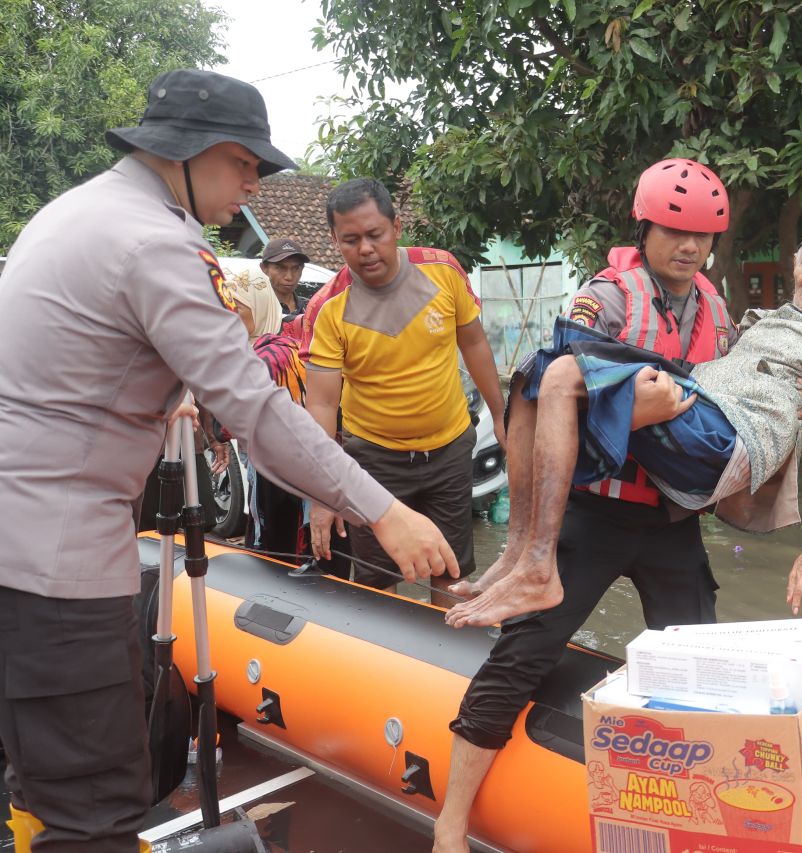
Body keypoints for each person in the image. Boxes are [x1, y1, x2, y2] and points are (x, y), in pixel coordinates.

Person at [0, 68, 459, 853]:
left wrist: (164, 391)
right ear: (189, 153)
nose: (253, 183)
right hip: (56, 565)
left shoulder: (76, 212)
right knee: (97, 812)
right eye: (244, 162)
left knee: (41, 783)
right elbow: (258, 408)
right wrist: (382, 509)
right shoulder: (153, 242)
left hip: (23, 547)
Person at [432, 158, 747, 853]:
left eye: (700, 235)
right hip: (594, 513)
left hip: (670, 520)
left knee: (700, 663)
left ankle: (700, 818)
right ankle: (449, 825)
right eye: (673, 230)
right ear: (646, 227)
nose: (687, 246)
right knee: (525, 654)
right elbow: (547, 394)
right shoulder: (605, 298)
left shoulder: (716, 310)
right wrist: (633, 413)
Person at [445, 207, 802, 630]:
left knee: (561, 373)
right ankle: (518, 553)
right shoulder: (757, 322)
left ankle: (538, 567)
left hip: (720, 436)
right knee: (533, 372)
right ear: (795, 263)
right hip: (691, 422)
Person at [305, 178, 506, 599]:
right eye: (351, 240)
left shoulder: (443, 271)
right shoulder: (328, 307)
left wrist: (502, 415)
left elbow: (473, 343)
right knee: (377, 582)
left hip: (449, 448)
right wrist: (321, 494)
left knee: (450, 573)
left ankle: (446, 661)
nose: (365, 249)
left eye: (375, 235)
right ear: (335, 241)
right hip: (374, 462)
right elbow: (322, 404)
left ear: (397, 227)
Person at [224, 267, 309, 557]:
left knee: (275, 554)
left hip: (280, 476)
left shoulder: (268, 355)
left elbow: (229, 425)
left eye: (237, 305)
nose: (228, 312)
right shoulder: (287, 343)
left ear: (258, 304)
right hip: (299, 475)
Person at [259, 236, 310, 329]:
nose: (289, 277)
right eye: (280, 268)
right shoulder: (255, 309)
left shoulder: (311, 309)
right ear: (264, 268)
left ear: (302, 269)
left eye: (296, 268)